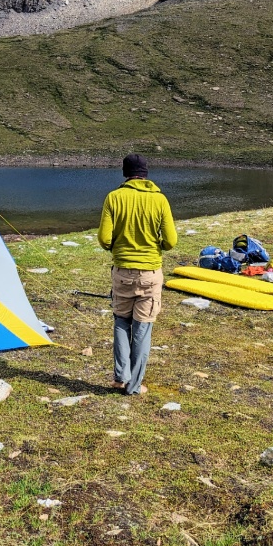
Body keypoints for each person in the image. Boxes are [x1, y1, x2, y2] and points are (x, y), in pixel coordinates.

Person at [98, 153, 177, 395]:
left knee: (121, 323)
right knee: (142, 329)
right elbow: (171, 241)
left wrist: (115, 248)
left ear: (125, 173)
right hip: (150, 274)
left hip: (122, 272)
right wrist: (158, 247)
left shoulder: (114, 198)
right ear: (146, 174)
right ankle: (133, 385)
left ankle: (121, 377)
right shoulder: (160, 200)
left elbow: (104, 238)